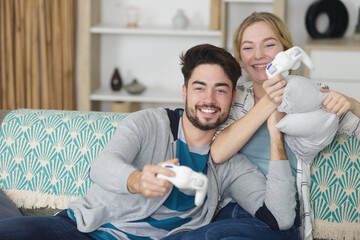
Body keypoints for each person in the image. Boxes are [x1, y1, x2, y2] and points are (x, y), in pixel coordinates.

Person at [0, 44, 297, 240]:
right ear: (184, 92)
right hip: (82, 230)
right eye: (200, 87)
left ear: (233, 98)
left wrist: (275, 135)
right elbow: (102, 167)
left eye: (220, 90)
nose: (209, 99)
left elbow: (280, 218)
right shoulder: (149, 123)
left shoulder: (229, 162)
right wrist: (137, 180)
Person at [210, 12, 360, 240]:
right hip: (230, 209)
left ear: (288, 50)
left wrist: (351, 103)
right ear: (239, 56)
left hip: (280, 218)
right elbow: (218, 152)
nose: (258, 56)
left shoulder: (312, 97)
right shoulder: (233, 97)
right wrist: (270, 102)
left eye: (269, 44)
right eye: (248, 47)